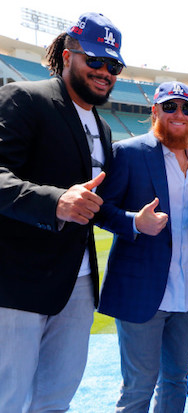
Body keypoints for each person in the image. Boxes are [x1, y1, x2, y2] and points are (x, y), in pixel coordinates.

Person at [0, 12, 124, 412]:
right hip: (20, 280)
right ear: (69, 53)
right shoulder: (25, 98)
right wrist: (55, 202)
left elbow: (93, 203)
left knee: (56, 399)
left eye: (113, 65)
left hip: (79, 281)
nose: (105, 72)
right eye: (95, 60)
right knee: (9, 398)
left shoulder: (103, 129)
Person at [95, 81, 188, 412]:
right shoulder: (128, 152)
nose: (179, 114)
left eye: (186, 108)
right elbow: (100, 209)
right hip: (141, 293)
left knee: (177, 381)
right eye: (170, 106)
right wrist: (134, 222)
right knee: (138, 387)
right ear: (155, 110)